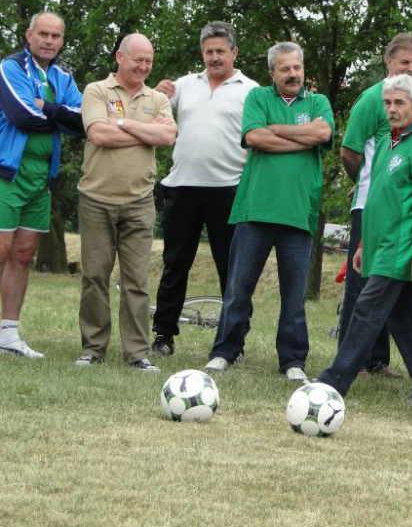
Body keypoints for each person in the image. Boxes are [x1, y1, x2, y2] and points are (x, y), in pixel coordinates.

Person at [204, 42, 333, 381]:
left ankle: (292, 361)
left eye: (297, 68)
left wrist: (276, 129)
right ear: (272, 72)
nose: (293, 74)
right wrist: (299, 141)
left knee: (294, 297)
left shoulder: (318, 102)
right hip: (255, 210)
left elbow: (323, 132)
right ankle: (224, 352)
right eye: (285, 69)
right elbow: (256, 138)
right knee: (237, 289)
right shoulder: (258, 98)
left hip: (298, 212)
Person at [316, 74, 412, 398]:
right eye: (387, 102)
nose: (391, 108)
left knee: (366, 310)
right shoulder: (391, 141)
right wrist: (363, 244)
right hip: (380, 245)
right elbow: (378, 199)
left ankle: (334, 381)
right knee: (406, 321)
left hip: (402, 248)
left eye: (399, 103)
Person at [150, 21, 259, 357]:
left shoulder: (251, 90)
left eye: (220, 51)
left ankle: (233, 342)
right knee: (175, 265)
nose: (214, 58)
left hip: (229, 190)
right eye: (209, 52)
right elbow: (151, 115)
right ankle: (163, 336)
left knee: (232, 270)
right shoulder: (182, 86)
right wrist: (155, 92)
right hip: (182, 187)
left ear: (234, 52)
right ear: (202, 53)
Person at [76, 33, 177, 371]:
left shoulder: (158, 98)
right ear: (120, 57)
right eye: (138, 59)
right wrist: (144, 129)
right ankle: (93, 348)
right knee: (94, 277)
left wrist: (122, 122)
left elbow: (167, 136)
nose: (144, 66)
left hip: (139, 200)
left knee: (137, 280)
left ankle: (137, 353)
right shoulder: (97, 91)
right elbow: (98, 135)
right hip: (96, 199)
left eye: (149, 60)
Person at [338, 33, 412, 379]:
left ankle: (376, 360)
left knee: (395, 287)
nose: (410, 68)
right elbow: (349, 150)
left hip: (405, 213)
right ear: (388, 63)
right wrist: (368, 182)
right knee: (362, 284)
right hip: (370, 208)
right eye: (404, 62)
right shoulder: (371, 99)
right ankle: (352, 360)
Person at [0, 12, 83, 359]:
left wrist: (48, 108)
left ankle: (8, 335)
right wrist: (58, 115)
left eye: (56, 36)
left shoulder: (63, 76)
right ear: (28, 35)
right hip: (8, 173)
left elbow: (82, 121)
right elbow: (21, 115)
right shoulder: (11, 68)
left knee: (22, 255)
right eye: (43, 34)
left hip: (41, 179)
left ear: (62, 40)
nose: (49, 41)